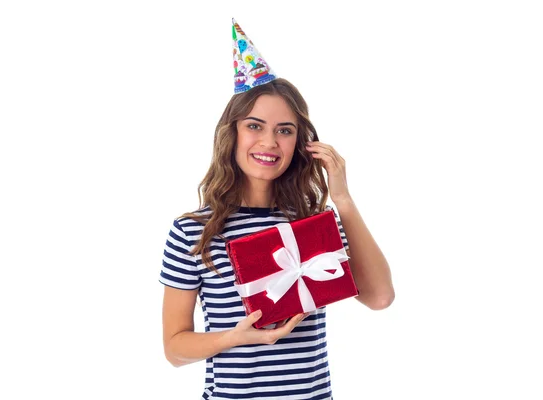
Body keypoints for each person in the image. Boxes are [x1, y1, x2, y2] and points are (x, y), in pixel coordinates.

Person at [159, 18, 395, 399]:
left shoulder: (314, 224)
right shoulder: (192, 231)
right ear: (231, 133)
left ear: (300, 142)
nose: (269, 142)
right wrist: (233, 337)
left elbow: (380, 297)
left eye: (284, 130)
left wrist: (343, 200)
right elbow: (174, 349)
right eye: (255, 126)